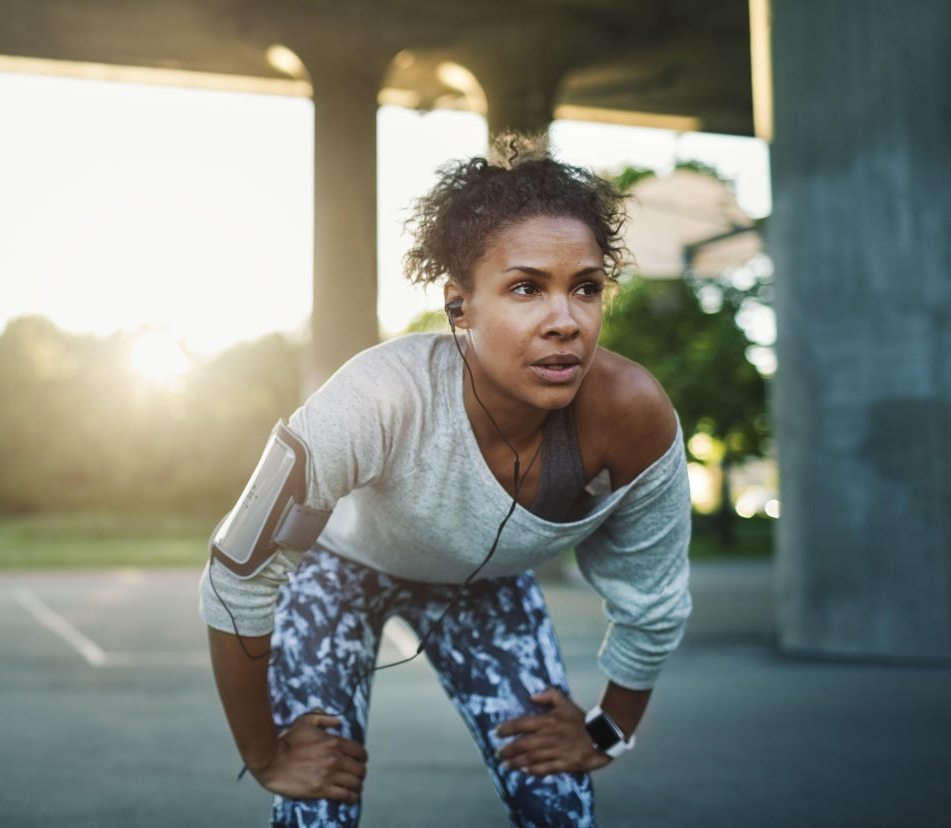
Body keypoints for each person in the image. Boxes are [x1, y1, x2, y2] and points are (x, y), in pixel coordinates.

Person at [199, 133, 692, 828]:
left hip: (483, 590)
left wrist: (608, 729)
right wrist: (264, 754)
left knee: (558, 802)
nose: (565, 321)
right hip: (340, 572)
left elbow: (654, 598)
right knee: (316, 808)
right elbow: (238, 570)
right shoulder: (379, 396)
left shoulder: (631, 414)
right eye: (526, 287)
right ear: (461, 306)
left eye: (585, 288)